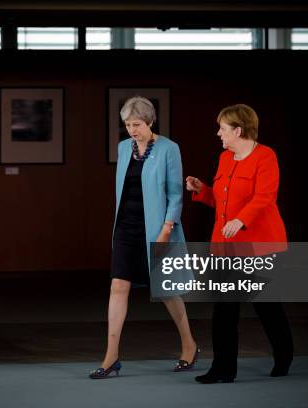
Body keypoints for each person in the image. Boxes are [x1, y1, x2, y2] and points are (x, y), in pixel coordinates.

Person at [89, 96, 198, 379]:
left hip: (158, 228)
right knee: (117, 287)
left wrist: (165, 230)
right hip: (125, 227)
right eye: (127, 124)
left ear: (150, 121)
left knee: (167, 290)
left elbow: (176, 194)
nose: (132, 130)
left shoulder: (168, 149)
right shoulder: (124, 148)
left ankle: (189, 344)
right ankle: (111, 356)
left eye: (137, 124)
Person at [186, 104, 293, 384]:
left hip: (258, 245)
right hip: (226, 246)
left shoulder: (265, 156)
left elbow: (265, 197)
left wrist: (240, 220)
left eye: (222, 128)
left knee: (267, 306)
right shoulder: (225, 158)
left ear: (238, 130)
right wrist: (202, 191)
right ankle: (223, 369)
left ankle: (284, 354)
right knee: (224, 308)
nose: (218, 133)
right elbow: (221, 203)